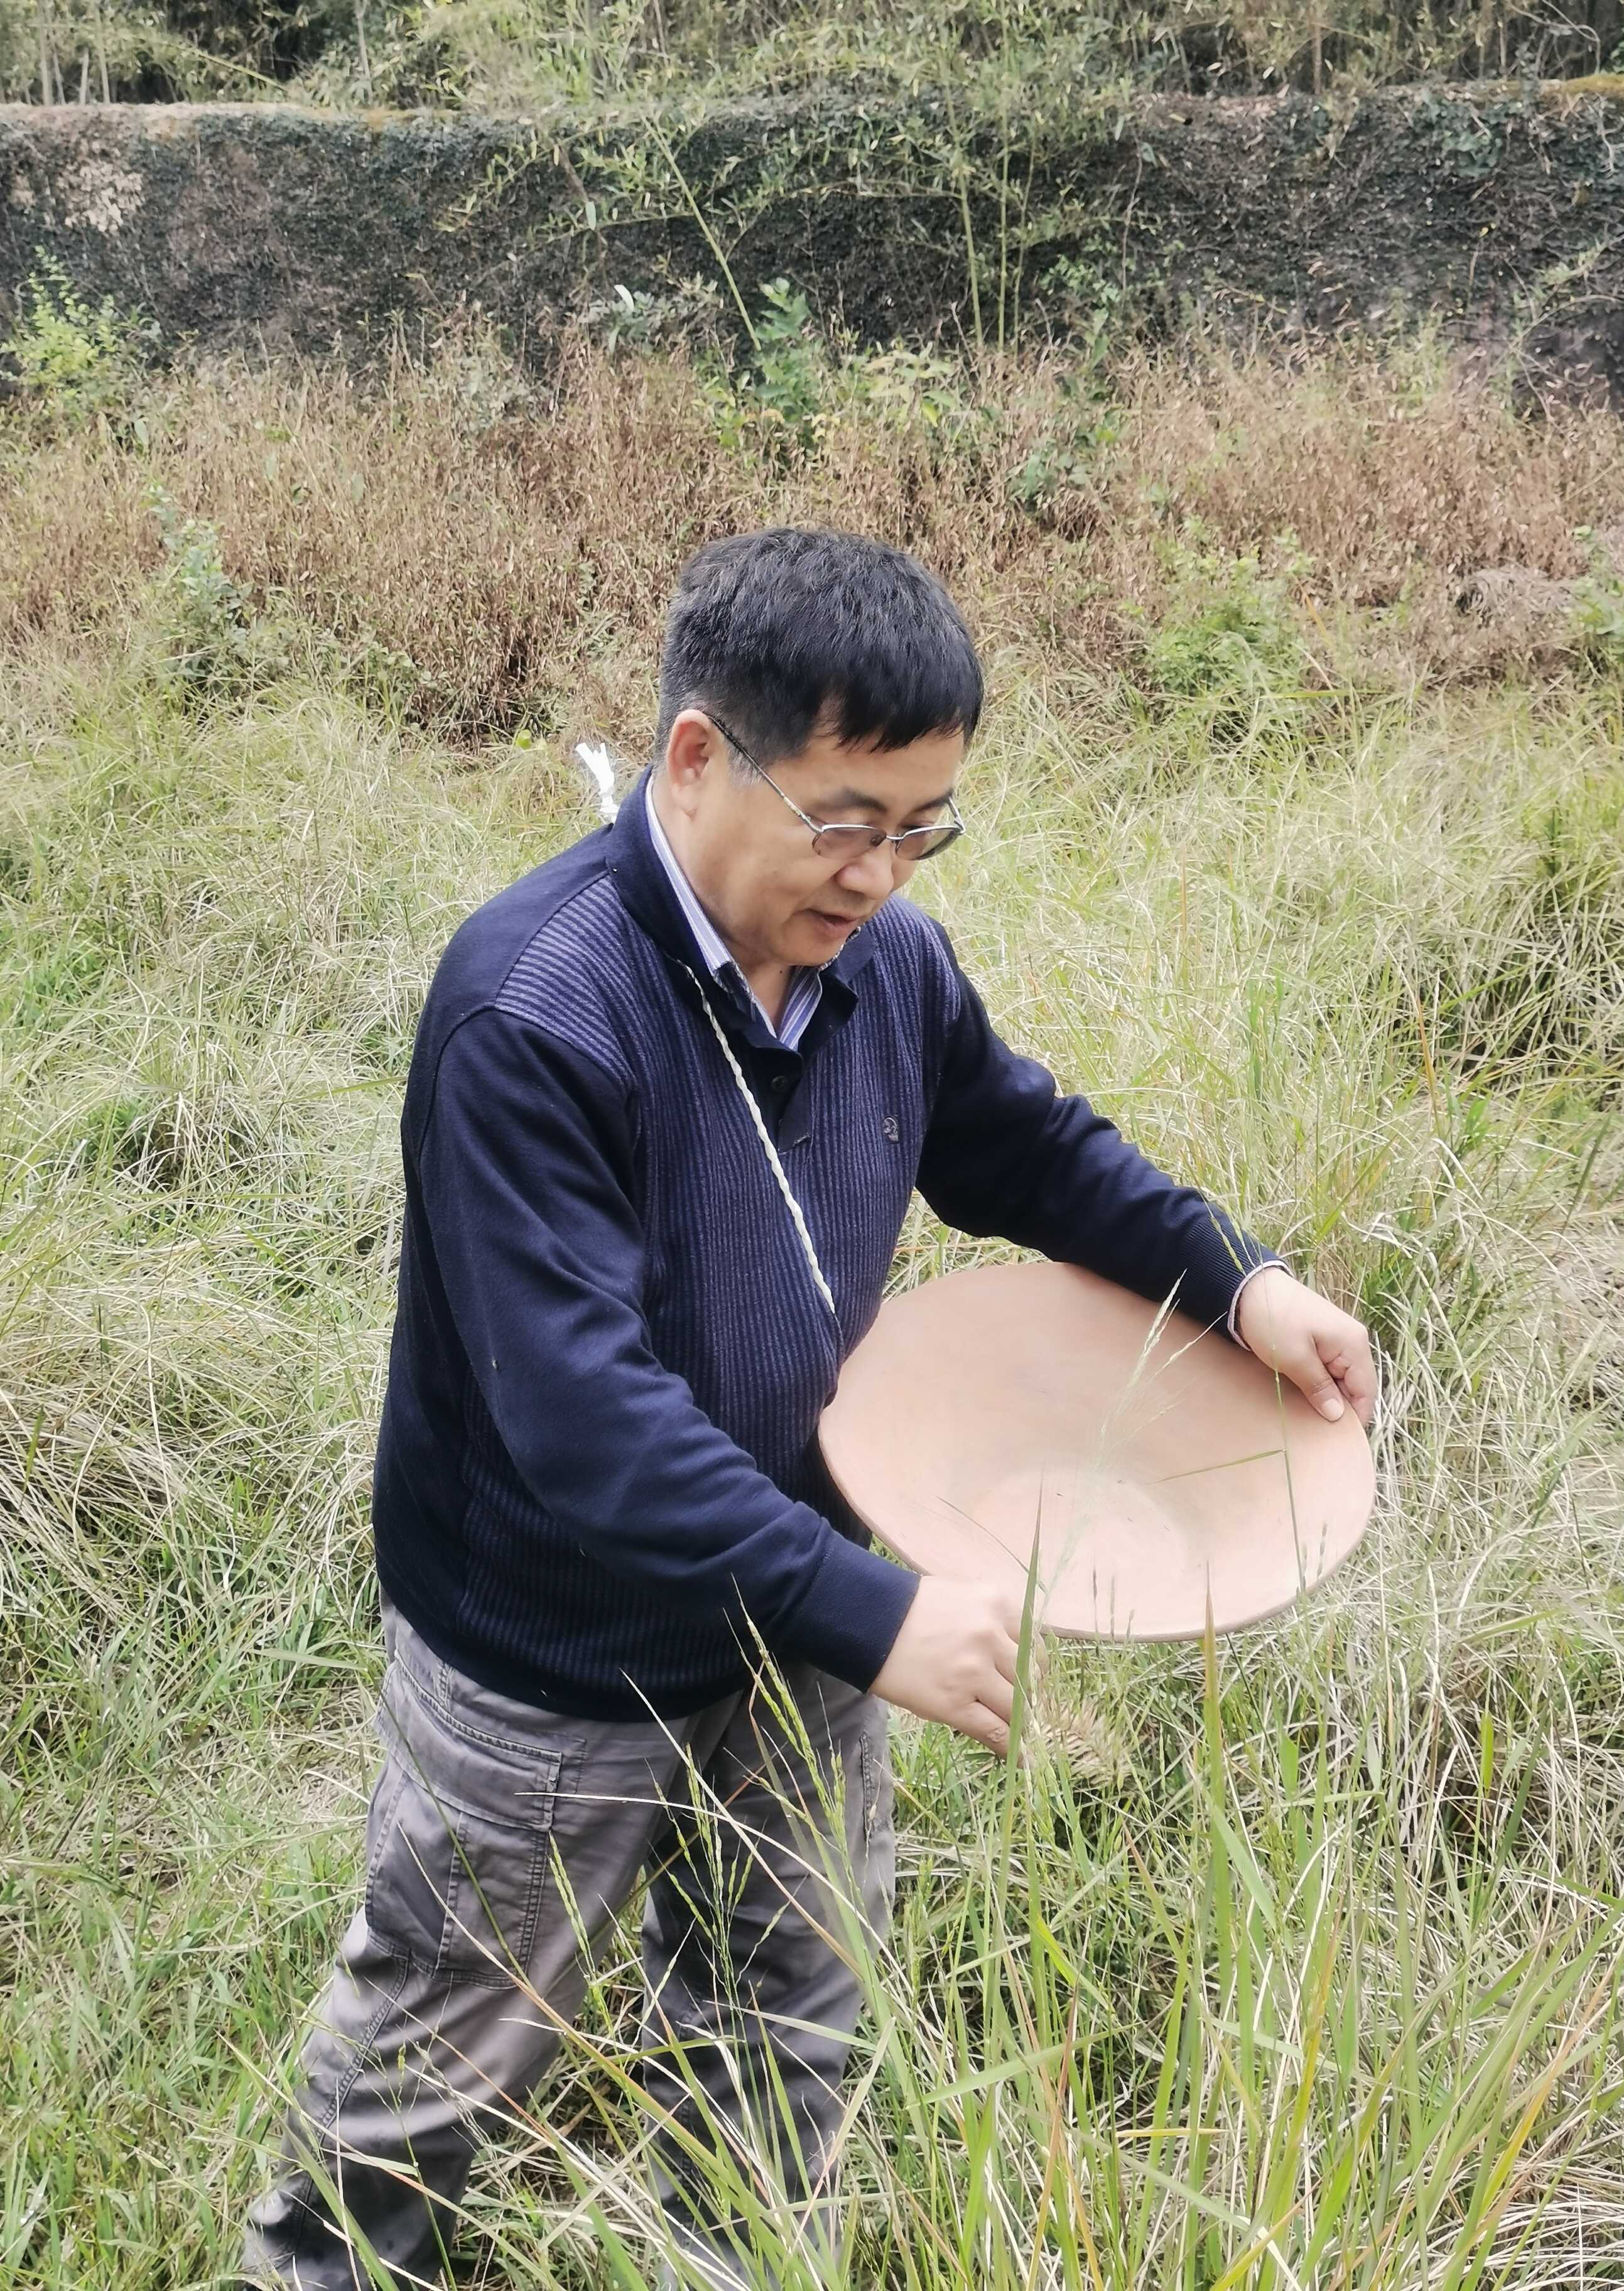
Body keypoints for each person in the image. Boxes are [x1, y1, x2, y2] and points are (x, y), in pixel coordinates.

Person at [241, 526, 1375, 2290]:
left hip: (802, 1619)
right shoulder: (535, 1014)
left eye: (925, 829)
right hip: (555, 1658)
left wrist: (1237, 1281)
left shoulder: (881, 966)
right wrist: (881, 1614)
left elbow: (1022, 1147)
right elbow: (585, 1422)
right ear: (699, 757)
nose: (882, 876)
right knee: (444, 2057)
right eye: (848, 821)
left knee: (789, 2010)